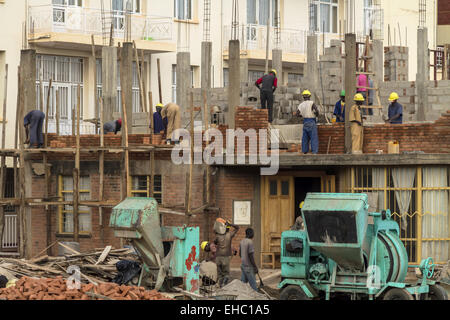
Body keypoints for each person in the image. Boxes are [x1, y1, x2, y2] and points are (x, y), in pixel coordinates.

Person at [294, 90, 320, 154]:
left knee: (305, 138)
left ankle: (304, 151)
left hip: (305, 122)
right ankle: (314, 152)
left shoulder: (301, 105)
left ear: (303, 97)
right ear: (309, 96)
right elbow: (316, 111)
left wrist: (302, 115)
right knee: (313, 138)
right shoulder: (311, 103)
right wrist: (316, 114)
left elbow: (297, 114)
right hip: (311, 121)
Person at [215, 220, 239, 287]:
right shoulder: (229, 235)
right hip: (225, 258)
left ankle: (220, 286)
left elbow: (215, 242)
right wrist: (231, 224)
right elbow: (237, 228)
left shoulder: (218, 235)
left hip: (218, 258)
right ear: (228, 228)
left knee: (220, 274)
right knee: (226, 274)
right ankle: (225, 285)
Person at [239, 228, 258, 292]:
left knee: (242, 285)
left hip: (243, 265)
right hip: (249, 267)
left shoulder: (242, 241)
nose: (253, 234)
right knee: (254, 286)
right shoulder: (250, 242)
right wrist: (255, 267)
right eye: (253, 233)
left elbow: (240, 254)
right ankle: (256, 297)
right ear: (250, 234)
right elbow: (250, 256)